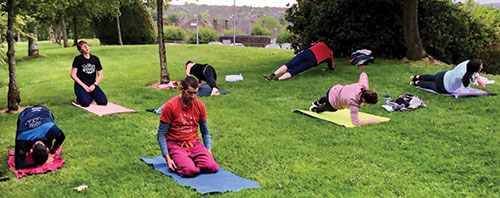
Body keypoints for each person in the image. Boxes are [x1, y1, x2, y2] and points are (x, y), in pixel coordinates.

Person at [157, 76, 219, 177]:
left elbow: (205, 131)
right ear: (182, 89)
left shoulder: (200, 106)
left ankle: (190, 160)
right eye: (190, 93)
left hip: (193, 142)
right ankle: (187, 162)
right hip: (175, 144)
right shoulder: (170, 106)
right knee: (189, 171)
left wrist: (208, 151)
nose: (193, 96)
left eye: (195, 93)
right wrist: (167, 158)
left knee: (212, 167)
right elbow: (161, 134)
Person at [310, 72, 380, 126]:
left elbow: (363, 74)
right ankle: (314, 109)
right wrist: (372, 121)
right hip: (333, 102)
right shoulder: (354, 102)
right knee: (329, 108)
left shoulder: (363, 85)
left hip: (333, 89)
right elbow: (355, 122)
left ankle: (318, 102)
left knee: (327, 98)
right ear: (364, 100)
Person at [263, 42, 334, 81]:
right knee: (296, 70)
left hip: (307, 52)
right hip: (313, 61)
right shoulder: (330, 55)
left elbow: (311, 44)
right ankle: (278, 79)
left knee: (290, 64)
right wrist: (328, 69)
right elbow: (331, 66)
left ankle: (272, 75)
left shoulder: (321, 43)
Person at [411, 59, 485, 94]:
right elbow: (465, 92)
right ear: (475, 69)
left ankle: (417, 77)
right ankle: (417, 82)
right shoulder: (466, 78)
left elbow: (471, 70)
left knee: (432, 77)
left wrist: (478, 78)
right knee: (431, 85)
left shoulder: (466, 63)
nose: (481, 67)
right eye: (480, 67)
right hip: (443, 87)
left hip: (443, 74)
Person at [71, 40, 108, 107]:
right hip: (81, 85)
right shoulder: (78, 59)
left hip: (92, 85)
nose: (86, 47)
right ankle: (80, 98)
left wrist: (94, 85)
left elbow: (100, 75)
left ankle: (90, 94)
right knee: (85, 103)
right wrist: (84, 86)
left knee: (103, 101)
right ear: (80, 50)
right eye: (83, 46)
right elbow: (73, 75)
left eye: (86, 45)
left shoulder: (95, 59)